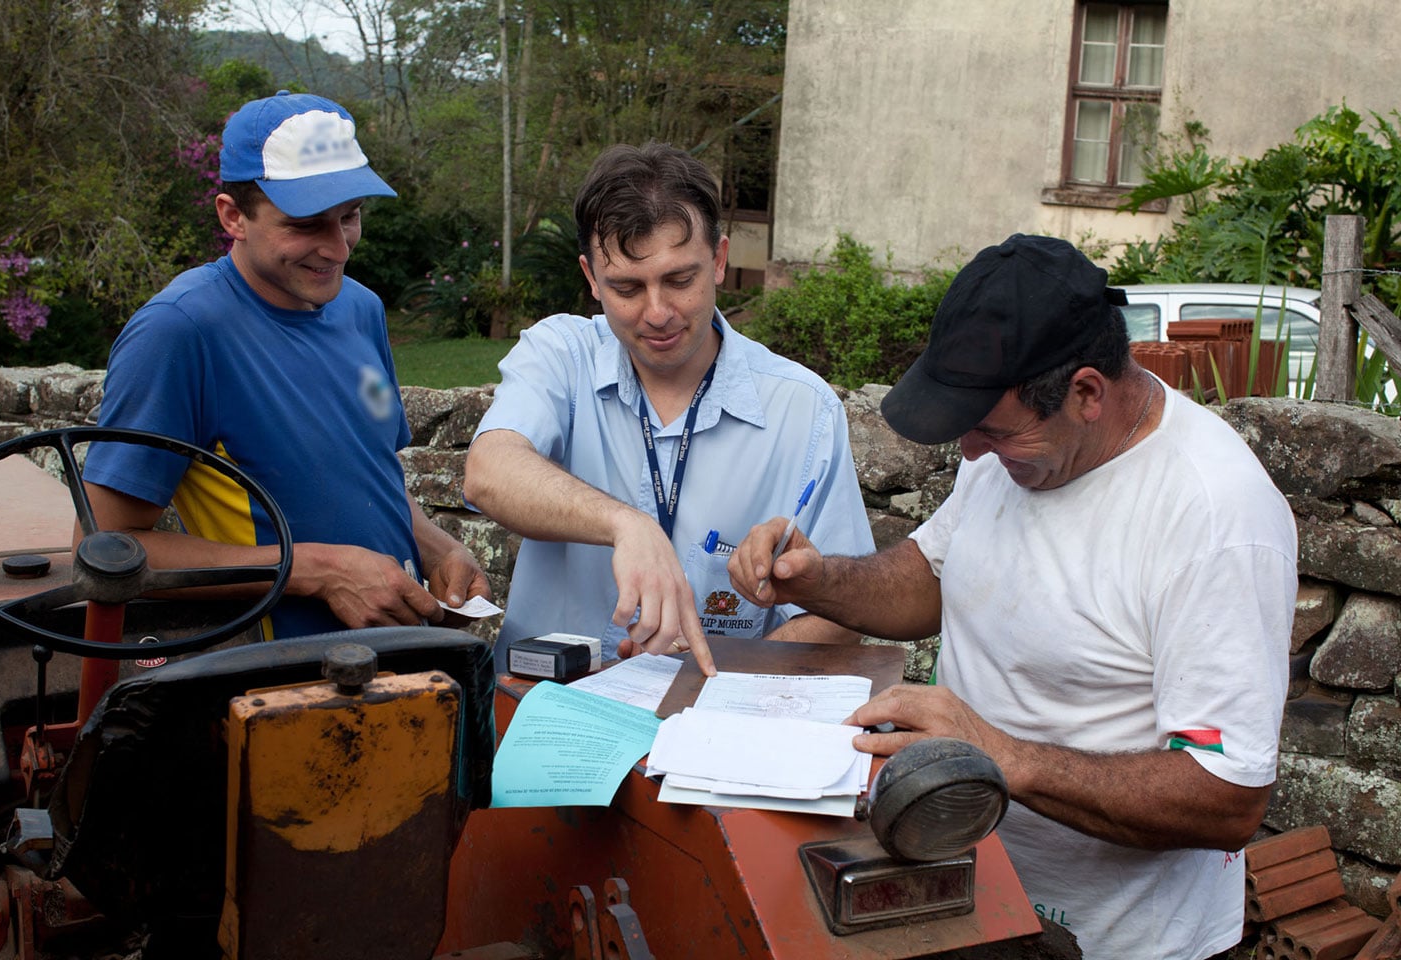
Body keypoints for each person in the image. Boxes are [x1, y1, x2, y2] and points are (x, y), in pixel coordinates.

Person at [728, 234, 1298, 960]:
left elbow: (1227, 796)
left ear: (1087, 392)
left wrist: (1000, 757)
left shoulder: (1215, 516)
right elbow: (934, 579)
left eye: (993, 431)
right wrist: (818, 578)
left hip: (1123, 942)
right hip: (971, 898)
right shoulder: (1017, 454)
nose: (969, 453)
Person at [82, 91, 490, 638]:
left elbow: (371, 467)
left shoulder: (361, 309)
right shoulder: (179, 331)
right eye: (305, 224)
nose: (338, 249)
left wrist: (438, 547)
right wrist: (319, 573)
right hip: (277, 678)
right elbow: (110, 549)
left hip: (404, 658)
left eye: (350, 217)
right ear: (233, 217)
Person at [463, 142, 875, 675]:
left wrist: (713, 676)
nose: (657, 313)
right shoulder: (560, 354)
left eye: (680, 280)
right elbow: (488, 472)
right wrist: (626, 525)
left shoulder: (805, 409)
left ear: (720, 259)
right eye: (627, 287)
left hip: (716, 730)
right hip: (550, 718)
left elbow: (845, 611)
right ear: (590, 278)